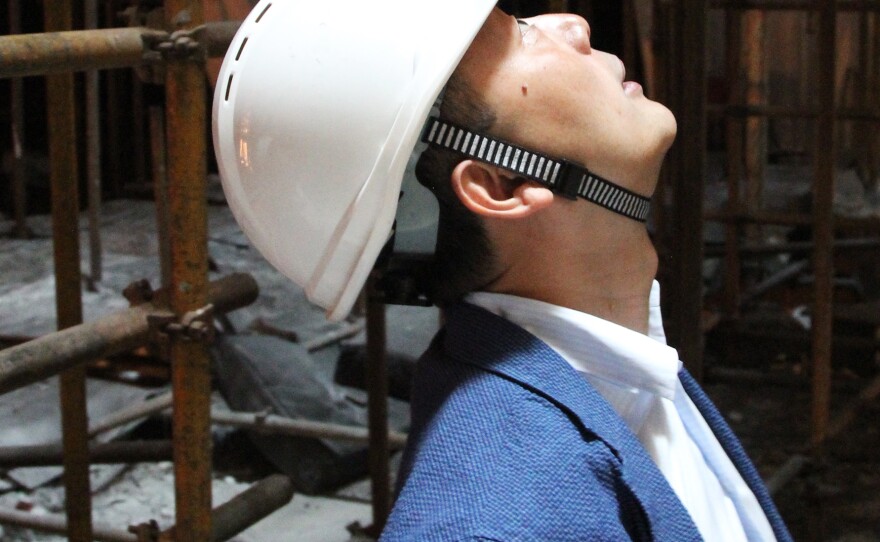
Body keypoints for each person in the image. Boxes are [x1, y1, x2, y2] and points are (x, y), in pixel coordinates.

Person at [213, 1, 793, 540]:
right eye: (520, 34)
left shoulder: (626, 382)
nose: (573, 25)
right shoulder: (494, 516)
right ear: (503, 183)